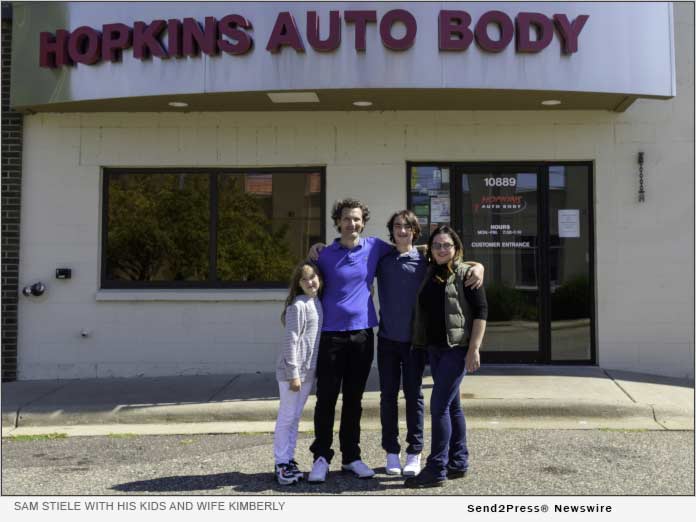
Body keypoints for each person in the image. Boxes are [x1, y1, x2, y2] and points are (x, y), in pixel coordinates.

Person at [376, 211, 483, 477]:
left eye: (408, 226)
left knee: (424, 401)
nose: (402, 230)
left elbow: (461, 268)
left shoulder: (428, 261)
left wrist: (479, 266)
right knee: (392, 398)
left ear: (415, 231)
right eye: (397, 226)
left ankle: (422, 458)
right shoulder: (383, 258)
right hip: (398, 342)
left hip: (420, 345)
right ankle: (399, 453)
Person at [307, 198, 394, 483]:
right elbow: (304, 280)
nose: (351, 223)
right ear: (338, 222)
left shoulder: (375, 247)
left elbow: (410, 251)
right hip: (331, 335)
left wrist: (471, 264)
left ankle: (351, 457)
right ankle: (321, 457)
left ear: (363, 222)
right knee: (326, 399)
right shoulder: (324, 254)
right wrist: (311, 252)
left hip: (362, 335)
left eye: (356, 219)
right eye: (346, 218)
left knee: (354, 400)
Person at [405, 225, 488, 488]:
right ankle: (458, 462)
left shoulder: (467, 274)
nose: (442, 249)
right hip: (434, 348)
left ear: (456, 248)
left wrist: (474, 348)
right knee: (452, 406)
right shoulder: (430, 270)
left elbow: (481, 312)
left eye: (447, 245)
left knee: (438, 406)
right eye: (437, 245)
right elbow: (408, 247)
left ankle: (436, 468)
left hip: (457, 349)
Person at [273, 260, 323, 485]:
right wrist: (294, 373)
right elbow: (290, 341)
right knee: (286, 417)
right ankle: (281, 463)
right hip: (292, 374)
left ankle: (289, 459)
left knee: (295, 418)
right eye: (305, 279)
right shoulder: (298, 306)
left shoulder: (317, 303)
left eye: (313, 277)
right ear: (298, 284)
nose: (311, 282)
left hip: (307, 373)